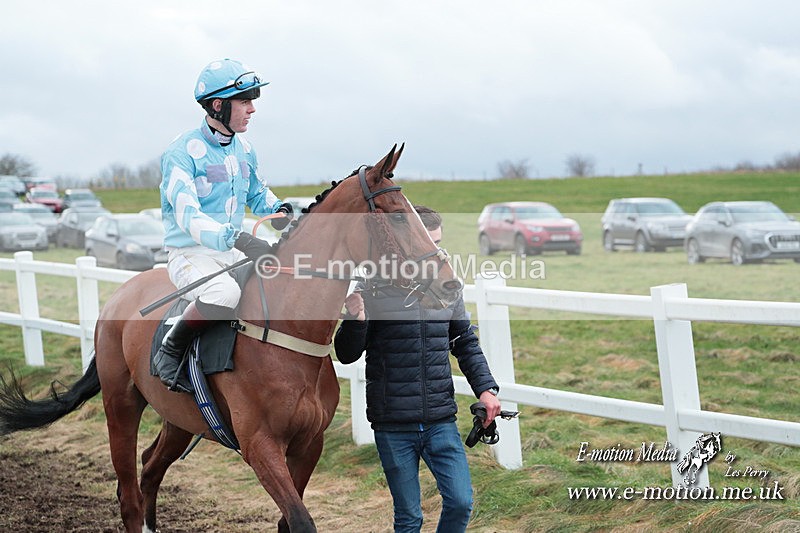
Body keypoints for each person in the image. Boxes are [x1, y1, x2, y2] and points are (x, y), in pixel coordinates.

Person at [334, 206, 502, 533]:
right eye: (430, 246)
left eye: (440, 245)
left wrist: (486, 388)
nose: (436, 254)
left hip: (441, 421)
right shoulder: (371, 289)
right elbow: (347, 354)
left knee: (460, 501)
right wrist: (356, 320)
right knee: (409, 518)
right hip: (393, 425)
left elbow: (465, 342)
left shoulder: (447, 290)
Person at [155, 58, 292, 391]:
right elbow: (188, 215)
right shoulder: (180, 153)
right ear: (218, 106)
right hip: (190, 252)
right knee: (225, 292)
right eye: (244, 101)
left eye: (252, 101)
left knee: (273, 284)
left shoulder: (244, 149)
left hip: (229, 249)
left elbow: (258, 191)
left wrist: (278, 208)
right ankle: (169, 349)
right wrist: (240, 239)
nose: (252, 109)